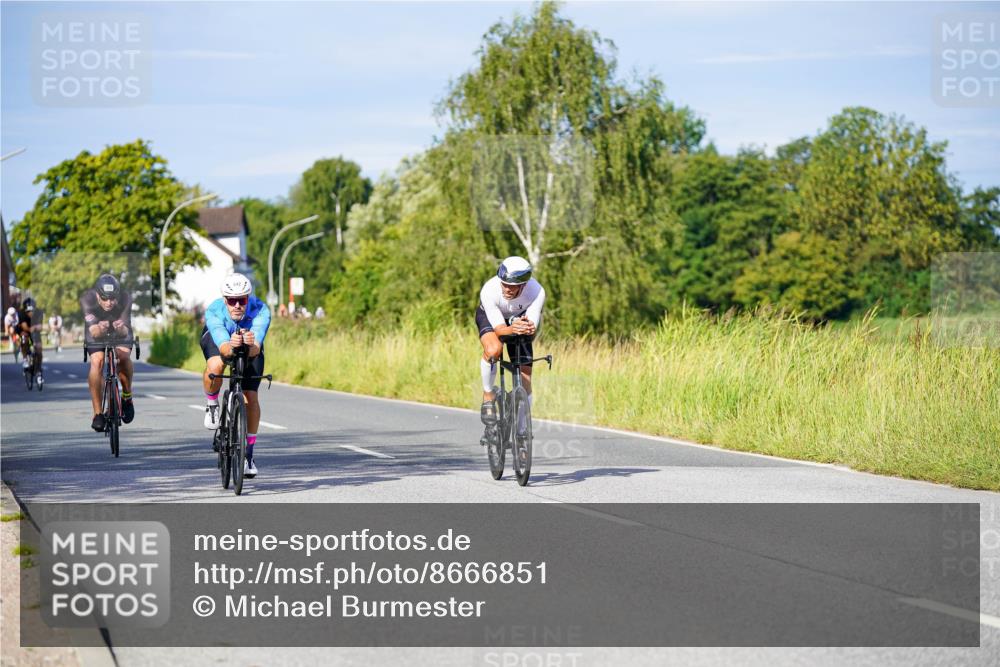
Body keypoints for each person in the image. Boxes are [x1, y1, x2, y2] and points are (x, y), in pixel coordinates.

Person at [201, 273, 271, 479]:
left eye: (242, 300)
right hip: (220, 340)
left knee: (251, 396)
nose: (238, 305)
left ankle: (248, 455)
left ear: (248, 298)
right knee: (215, 365)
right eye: (232, 300)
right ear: (225, 300)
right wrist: (231, 346)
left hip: (249, 345)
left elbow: (256, 348)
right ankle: (212, 404)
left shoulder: (261, 310)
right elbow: (223, 348)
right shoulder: (214, 311)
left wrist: (249, 345)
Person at [476, 256, 546, 435]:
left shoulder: (536, 291)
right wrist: (511, 328)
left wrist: (528, 327)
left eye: (512, 286)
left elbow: (532, 327)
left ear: (523, 284)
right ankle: (488, 394)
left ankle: (522, 430)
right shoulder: (489, 290)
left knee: (526, 377)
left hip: (519, 319)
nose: (506, 289)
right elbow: (499, 330)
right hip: (493, 319)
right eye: (504, 283)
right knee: (494, 351)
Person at [81, 274, 136, 431]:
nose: (109, 303)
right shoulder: (87, 299)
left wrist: (120, 328)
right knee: (97, 361)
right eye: (104, 298)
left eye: (112, 298)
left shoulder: (125, 298)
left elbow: (125, 331)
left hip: (120, 330)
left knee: (123, 356)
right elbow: (94, 332)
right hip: (96, 330)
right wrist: (101, 328)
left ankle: (127, 397)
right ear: (97, 295)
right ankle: (98, 413)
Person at [16, 298, 45, 386]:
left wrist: (35, 328)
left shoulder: (39, 312)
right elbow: (24, 326)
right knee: (24, 338)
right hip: (23, 330)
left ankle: (38, 371)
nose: (30, 313)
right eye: (28, 311)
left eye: (32, 311)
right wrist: (31, 329)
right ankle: (25, 359)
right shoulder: (21, 313)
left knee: (39, 348)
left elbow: (40, 327)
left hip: (35, 330)